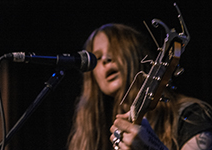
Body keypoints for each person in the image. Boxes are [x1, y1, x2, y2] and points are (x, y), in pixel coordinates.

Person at [67, 23, 212, 150]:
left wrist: (151, 147)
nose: (106, 60)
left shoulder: (191, 116)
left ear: (136, 55)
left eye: (114, 51)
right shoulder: (93, 135)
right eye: (97, 58)